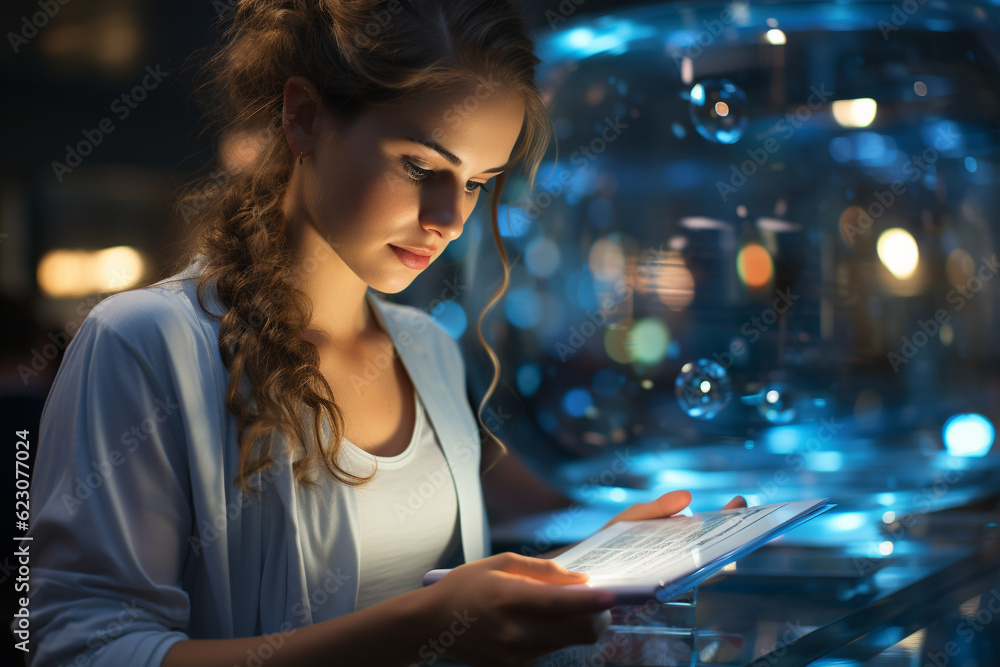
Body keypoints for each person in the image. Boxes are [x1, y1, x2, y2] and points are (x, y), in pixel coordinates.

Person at [19, 1, 745, 666]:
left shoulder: (424, 348)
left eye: (476, 182)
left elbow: (455, 608)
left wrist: (595, 563)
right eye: (420, 165)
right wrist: (425, 622)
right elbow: (89, 651)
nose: (449, 218)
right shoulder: (143, 343)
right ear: (302, 117)